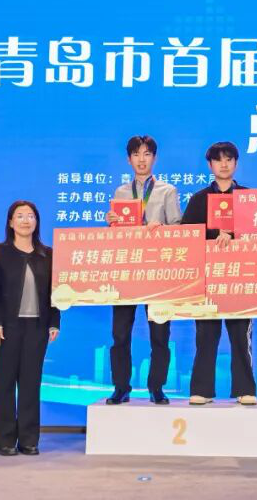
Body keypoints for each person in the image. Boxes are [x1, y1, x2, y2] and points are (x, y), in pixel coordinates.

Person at [104, 135, 182, 405]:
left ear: (154, 158)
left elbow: (178, 228)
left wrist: (162, 228)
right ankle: (120, 387)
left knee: (160, 334)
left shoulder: (167, 191)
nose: (141, 159)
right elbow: (117, 235)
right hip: (127, 269)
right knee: (120, 333)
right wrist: (111, 222)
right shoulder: (121, 193)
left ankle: (156, 387)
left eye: (147, 154)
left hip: (158, 270)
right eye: (136, 154)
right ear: (128, 159)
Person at [181, 141, 257, 406]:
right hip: (207, 279)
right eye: (218, 160)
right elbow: (187, 234)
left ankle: (245, 389)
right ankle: (202, 389)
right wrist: (215, 234)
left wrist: (234, 235)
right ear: (210, 165)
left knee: (240, 336)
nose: (224, 164)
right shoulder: (198, 199)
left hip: (240, 278)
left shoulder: (248, 197)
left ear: (236, 163)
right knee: (205, 336)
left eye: (229, 159)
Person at [0, 200, 60, 456]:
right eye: (20, 216)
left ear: (37, 221)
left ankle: (29, 440)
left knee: (30, 385)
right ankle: (5, 440)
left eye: (30, 216)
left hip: (37, 328)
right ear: (10, 222)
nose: (26, 220)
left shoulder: (48, 255)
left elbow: (56, 292)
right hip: (6, 328)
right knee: (4, 384)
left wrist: (54, 322)